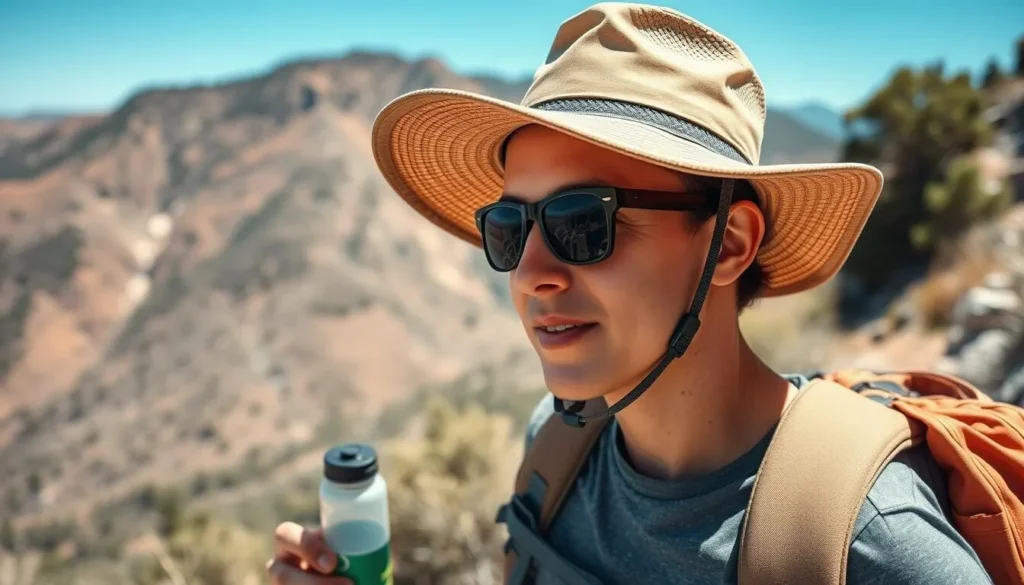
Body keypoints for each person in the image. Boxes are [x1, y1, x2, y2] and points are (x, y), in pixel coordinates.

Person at [266, 3, 995, 584]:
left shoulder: (869, 544)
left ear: (729, 245)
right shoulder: (556, 456)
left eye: (585, 223)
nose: (531, 271)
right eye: (509, 227)